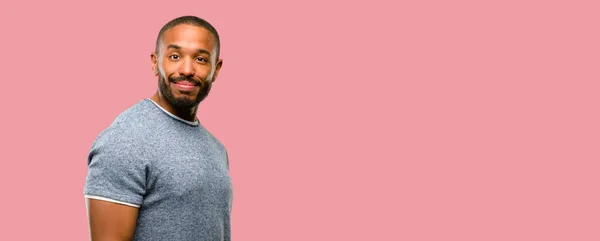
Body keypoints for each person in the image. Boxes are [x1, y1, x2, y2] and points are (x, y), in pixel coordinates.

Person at [83, 15, 232, 241]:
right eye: (174, 56)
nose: (187, 69)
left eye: (201, 59)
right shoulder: (125, 140)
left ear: (216, 69)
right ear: (155, 62)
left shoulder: (216, 149)